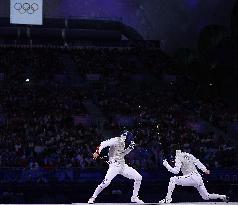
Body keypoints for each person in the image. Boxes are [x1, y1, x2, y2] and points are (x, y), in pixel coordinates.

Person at [88, 131, 144, 204]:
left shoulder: (123, 143)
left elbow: (122, 154)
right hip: (114, 166)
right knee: (106, 182)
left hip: (123, 165)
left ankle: (134, 197)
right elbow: (103, 144)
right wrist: (97, 152)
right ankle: (93, 197)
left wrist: (129, 149)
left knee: (138, 177)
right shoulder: (115, 140)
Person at [159, 148, 229, 203]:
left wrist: (166, 165)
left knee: (173, 179)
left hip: (191, 177)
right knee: (206, 196)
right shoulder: (189, 155)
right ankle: (223, 196)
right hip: (198, 177)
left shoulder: (178, 157)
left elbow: (176, 171)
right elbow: (197, 162)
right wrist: (205, 170)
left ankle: (168, 199)